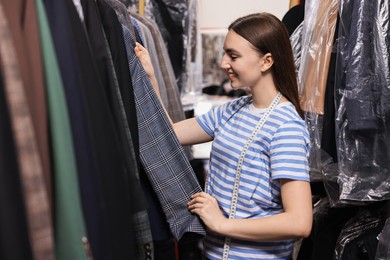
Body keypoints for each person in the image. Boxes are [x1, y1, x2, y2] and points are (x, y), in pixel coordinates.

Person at [134, 12, 312, 260]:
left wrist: (222, 224)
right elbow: (167, 134)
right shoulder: (232, 110)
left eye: (233, 56)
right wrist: (150, 76)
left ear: (266, 61)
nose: (223, 63)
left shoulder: (285, 127)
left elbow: (299, 222)